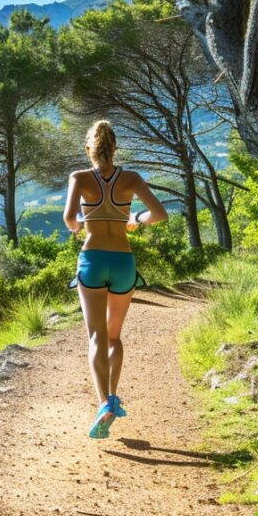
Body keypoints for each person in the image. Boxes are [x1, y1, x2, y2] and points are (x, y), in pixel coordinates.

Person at [62, 120, 167, 439]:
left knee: (96, 337)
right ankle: (114, 396)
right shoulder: (131, 178)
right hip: (123, 261)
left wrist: (82, 224)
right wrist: (135, 219)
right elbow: (160, 214)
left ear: (89, 150)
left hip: (93, 258)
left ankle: (104, 403)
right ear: (114, 147)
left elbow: (69, 220)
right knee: (114, 337)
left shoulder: (79, 178)